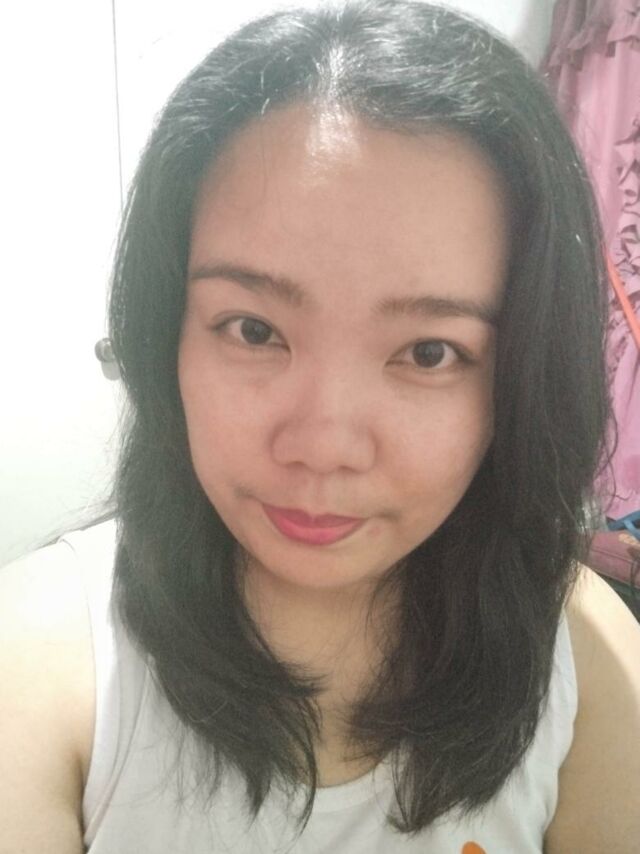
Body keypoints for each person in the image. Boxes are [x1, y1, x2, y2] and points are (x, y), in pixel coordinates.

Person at [1, 1, 639, 851]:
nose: (323, 447)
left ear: (520, 376)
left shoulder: (584, 657)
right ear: (165, 336)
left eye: (430, 352)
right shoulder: (42, 652)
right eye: (253, 330)